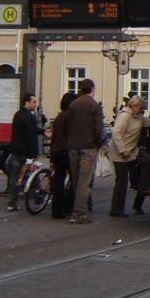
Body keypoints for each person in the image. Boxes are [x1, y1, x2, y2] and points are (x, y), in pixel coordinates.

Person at [108, 95, 150, 216]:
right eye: (141, 108)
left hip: (132, 149)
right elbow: (116, 134)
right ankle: (116, 209)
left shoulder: (138, 117)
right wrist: (122, 150)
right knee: (122, 180)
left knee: (149, 161)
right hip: (120, 152)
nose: (143, 110)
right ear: (135, 106)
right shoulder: (124, 117)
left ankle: (145, 186)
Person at [65, 79, 103, 224]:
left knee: (76, 181)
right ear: (92, 89)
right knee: (84, 182)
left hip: (73, 146)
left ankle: (77, 210)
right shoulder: (94, 105)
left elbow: (70, 126)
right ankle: (80, 213)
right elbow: (98, 129)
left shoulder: (73, 105)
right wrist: (98, 144)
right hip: (88, 147)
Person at [5, 93, 40, 212]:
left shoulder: (18, 115)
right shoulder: (30, 117)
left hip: (16, 149)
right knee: (34, 174)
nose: (36, 104)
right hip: (25, 152)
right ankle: (38, 197)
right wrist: (34, 153)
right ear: (27, 102)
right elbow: (31, 136)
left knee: (15, 177)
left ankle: (11, 202)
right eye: (34, 102)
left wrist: (42, 131)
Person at [49, 92, 77, 220]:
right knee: (74, 179)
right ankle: (67, 206)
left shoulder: (59, 116)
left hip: (56, 150)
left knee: (58, 180)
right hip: (66, 150)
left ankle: (56, 209)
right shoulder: (70, 116)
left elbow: (55, 136)